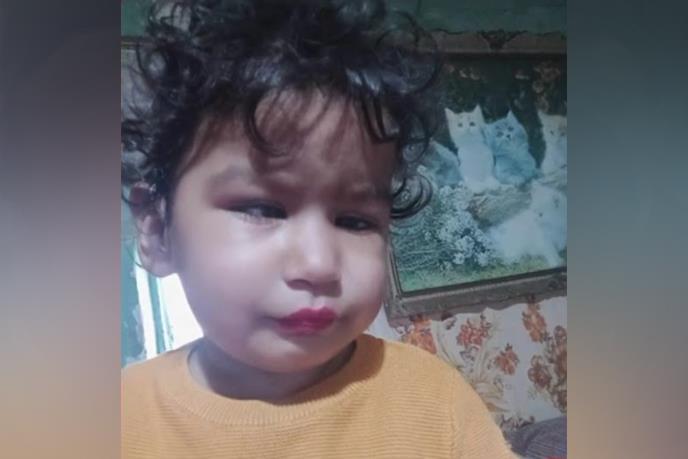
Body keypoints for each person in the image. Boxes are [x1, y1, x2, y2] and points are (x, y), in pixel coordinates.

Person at [121, 1, 516, 457]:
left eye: (354, 221)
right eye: (263, 209)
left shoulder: (435, 402)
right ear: (157, 231)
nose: (319, 264)